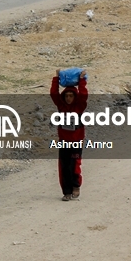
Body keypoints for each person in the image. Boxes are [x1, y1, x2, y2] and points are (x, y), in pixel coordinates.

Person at [50, 68, 89, 201]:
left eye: (71, 96)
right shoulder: (61, 106)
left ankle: (76, 186)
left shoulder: (79, 106)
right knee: (64, 166)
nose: (68, 98)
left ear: (75, 96)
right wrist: (56, 78)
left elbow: (83, 95)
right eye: (66, 96)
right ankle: (66, 191)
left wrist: (82, 80)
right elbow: (54, 94)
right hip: (63, 141)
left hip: (77, 141)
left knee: (75, 164)